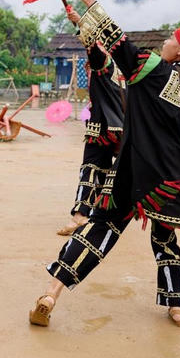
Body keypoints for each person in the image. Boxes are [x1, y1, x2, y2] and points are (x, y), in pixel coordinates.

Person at [29, 0, 180, 329]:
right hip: (170, 182)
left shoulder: (152, 71)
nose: (166, 39)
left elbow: (116, 40)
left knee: (100, 229)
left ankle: (51, 293)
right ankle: (176, 306)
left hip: (130, 174)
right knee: (166, 237)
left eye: (172, 37)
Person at [56, 40, 125, 236]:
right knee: (104, 171)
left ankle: (80, 214)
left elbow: (93, 49)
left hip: (101, 128)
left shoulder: (102, 62)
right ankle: (103, 213)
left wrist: (80, 23)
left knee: (90, 167)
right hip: (119, 127)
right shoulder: (120, 69)